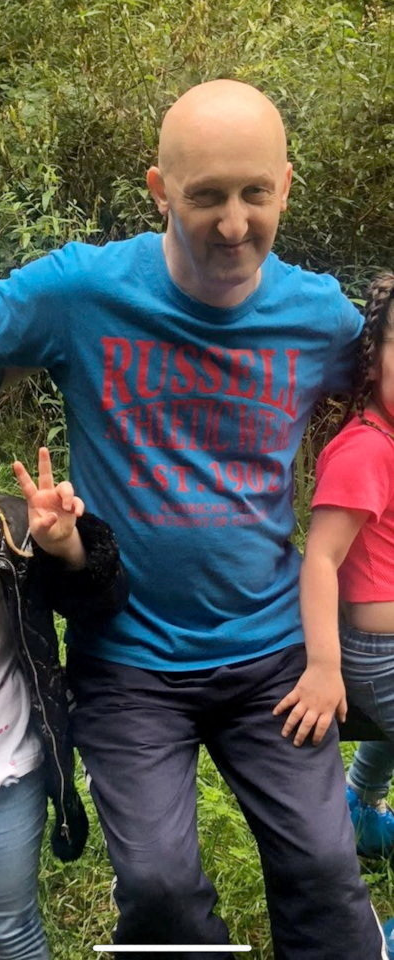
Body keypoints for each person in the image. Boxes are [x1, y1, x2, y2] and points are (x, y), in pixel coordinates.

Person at [0, 80, 387, 958]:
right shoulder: (82, 291)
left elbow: (383, 391)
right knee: (157, 889)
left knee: (328, 878)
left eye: (255, 193)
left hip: (270, 654)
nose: (234, 224)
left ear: (286, 187)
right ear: (159, 190)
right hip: (127, 662)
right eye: (206, 196)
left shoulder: (318, 318)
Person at [0, 381, 127, 960]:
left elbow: (97, 606)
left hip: (1, 776)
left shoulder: (8, 533)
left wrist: (67, 547)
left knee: (9, 930)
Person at [293, 274, 394, 857]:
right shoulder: (367, 449)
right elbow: (322, 559)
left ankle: (362, 805)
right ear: (373, 362)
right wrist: (324, 666)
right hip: (375, 655)